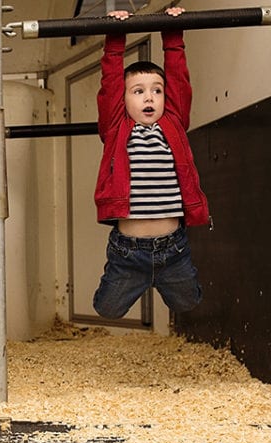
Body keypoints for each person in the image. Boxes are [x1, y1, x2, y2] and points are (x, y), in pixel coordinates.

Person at [92, 7, 211, 320]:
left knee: (188, 303)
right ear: (124, 100)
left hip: (174, 249)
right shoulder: (117, 128)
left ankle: (161, 279)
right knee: (107, 309)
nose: (149, 98)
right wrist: (116, 37)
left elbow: (179, 79)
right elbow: (111, 83)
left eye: (156, 91)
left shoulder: (173, 123)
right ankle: (141, 279)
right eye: (139, 91)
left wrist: (171, 33)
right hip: (127, 252)